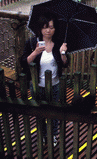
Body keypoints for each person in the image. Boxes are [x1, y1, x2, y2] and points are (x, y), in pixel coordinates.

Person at [21, 13, 69, 146]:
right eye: (45, 27)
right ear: (40, 29)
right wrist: (35, 52)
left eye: (51, 27)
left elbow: (65, 64)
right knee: (39, 112)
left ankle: (53, 134)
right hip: (37, 85)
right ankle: (42, 134)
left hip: (54, 85)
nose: (48, 30)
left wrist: (63, 53)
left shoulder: (59, 43)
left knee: (53, 112)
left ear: (55, 29)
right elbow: (24, 62)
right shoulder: (31, 42)